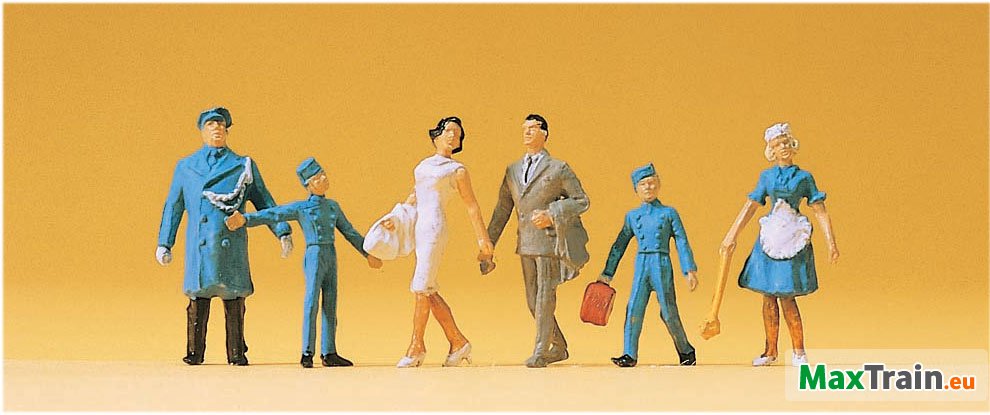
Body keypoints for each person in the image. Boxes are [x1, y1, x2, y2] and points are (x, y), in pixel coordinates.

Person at [156, 106, 293, 366]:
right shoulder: (186, 167)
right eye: (211, 124)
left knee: (234, 301)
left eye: (221, 124)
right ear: (202, 131)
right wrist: (165, 243)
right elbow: (173, 206)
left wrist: (282, 231)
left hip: (231, 246)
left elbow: (265, 201)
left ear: (227, 131)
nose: (217, 128)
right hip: (200, 249)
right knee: (198, 301)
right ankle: (194, 352)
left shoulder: (243, 165)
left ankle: (237, 353)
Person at [226, 157, 383, 368]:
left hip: (330, 255)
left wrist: (367, 253)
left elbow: (350, 232)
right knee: (311, 302)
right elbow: (274, 214)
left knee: (330, 303)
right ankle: (307, 352)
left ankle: (329, 351)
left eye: (323, 174)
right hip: (314, 254)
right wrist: (246, 219)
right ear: (308, 185)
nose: (323, 179)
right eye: (317, 178)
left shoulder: (333, 207)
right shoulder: (302, 208)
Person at [719, 122, 839, 367]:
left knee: (787, 298)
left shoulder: (804, 178)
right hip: (771, 237)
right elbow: (751, 205)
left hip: (792, 236)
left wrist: (831, 242)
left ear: (792, 145)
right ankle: (770, 351)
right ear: (771, 151)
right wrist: (732, 234)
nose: (783, 147)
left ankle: (799, 352)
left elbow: (820, 210)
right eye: (777, 145)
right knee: (768, 298)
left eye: (785, 143)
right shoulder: (767, 176)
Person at [382, 116, 494, 368]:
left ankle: (416, 346)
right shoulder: (423, 166)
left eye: (458, 134)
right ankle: (458, 341)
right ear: (437, 134)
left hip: (434, 229)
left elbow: (471, 205)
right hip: (419, 229)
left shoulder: (456, 170)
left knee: (421, 286)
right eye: (449, 130)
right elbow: (414, 196)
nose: (453, 136)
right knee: (427, 288)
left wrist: (483, 240)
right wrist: (396, 217)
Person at [486, 114, 591, 368]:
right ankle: (559, 346)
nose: (527, 132)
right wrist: (488, 244)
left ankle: (540, 350)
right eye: (525, 128)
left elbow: (581, 200)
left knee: (545, 296)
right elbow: (503, 209)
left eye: (533, 128)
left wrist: (552, 214)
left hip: (548, 242)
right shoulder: (513, 170)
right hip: (526, 242)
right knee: (532, 300)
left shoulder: (558, 168)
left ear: (544, 134)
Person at [598, 163, 699, 367]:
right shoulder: (632, 216)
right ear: (636, 189)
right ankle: (629, 353)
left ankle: (686, 350)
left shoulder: (669, 213)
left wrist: (689, 269)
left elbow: (681, 240)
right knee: (633, 308)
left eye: (652, 183)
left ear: (658, 185)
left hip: (661, 264)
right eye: (643, 184)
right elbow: (620, 244)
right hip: (641, 264)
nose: (648, 187)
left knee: (668, 311)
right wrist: (607, 273)